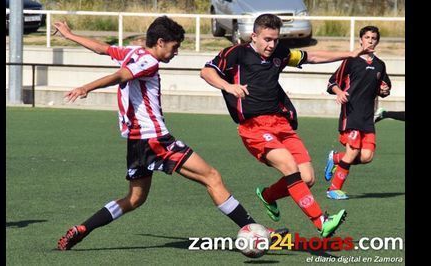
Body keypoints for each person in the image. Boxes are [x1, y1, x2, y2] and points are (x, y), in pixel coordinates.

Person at [54, 16, 286, 251]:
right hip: (156, 139)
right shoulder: (148, 62)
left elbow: (102, 48)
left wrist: (70, 34)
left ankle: (82, 229)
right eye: (175, 47)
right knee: (212, 177)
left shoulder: (131, 52)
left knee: (135, 199)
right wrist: (86, 87)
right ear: (161, 42)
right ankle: (257, 231)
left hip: (136, 143)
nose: (176, 52)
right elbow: (122, 76)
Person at [200, 14, 373, 237]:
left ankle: (268, 196)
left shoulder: (280, 53)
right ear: (254, 36)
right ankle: (321, 221)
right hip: (254, 127)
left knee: (307, 178)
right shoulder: (237, 53)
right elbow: (207, 71)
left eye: (275, 40)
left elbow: (311, 57)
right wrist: (228, 86)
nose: (271, 45)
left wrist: (348, 54)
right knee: (290, 167)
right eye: (267, 39)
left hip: (281, 124)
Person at [323, 26, 391, 200]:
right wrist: (339, 92)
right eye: (367, 37)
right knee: (352, 152)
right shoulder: (351, 60)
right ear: (361, 40)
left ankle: (336, 158)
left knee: (367, 157)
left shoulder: (380, 65)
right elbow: (332, 83)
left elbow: (384, 87)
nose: (370, 40)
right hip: (351, 113)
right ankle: (333, 190)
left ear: (377, 41)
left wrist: (384, 90)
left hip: (368, 117)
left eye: (373, 38)